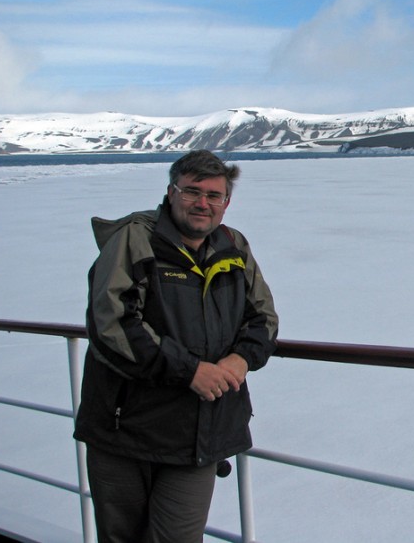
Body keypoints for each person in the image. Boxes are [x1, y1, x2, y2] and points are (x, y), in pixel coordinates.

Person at [74, 150, 278, 543]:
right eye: (191, 191)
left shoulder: (233, 246)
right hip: (125, 430)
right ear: (171, 193)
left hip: (199, 433)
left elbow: (263, 318)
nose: (203, 203)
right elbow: (113, 323)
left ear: (226, 202)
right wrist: (191, 371)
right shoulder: (136, 239)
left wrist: (241, 359)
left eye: (214, 195)